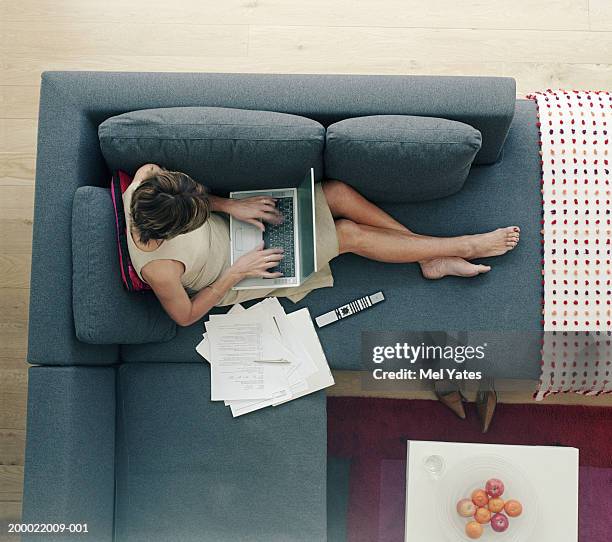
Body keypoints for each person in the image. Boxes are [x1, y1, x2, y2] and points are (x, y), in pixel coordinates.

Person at [124, 164, 520, 329]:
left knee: (337, 193)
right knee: (347, 233)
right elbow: (186, 315)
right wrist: (238, 270)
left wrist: (229, 205)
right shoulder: (160, 269)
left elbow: (190, 199)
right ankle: (464, 245)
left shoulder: (148, 180)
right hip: (241, 270)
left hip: (236, 227)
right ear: (172, 233)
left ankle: (431, 257)